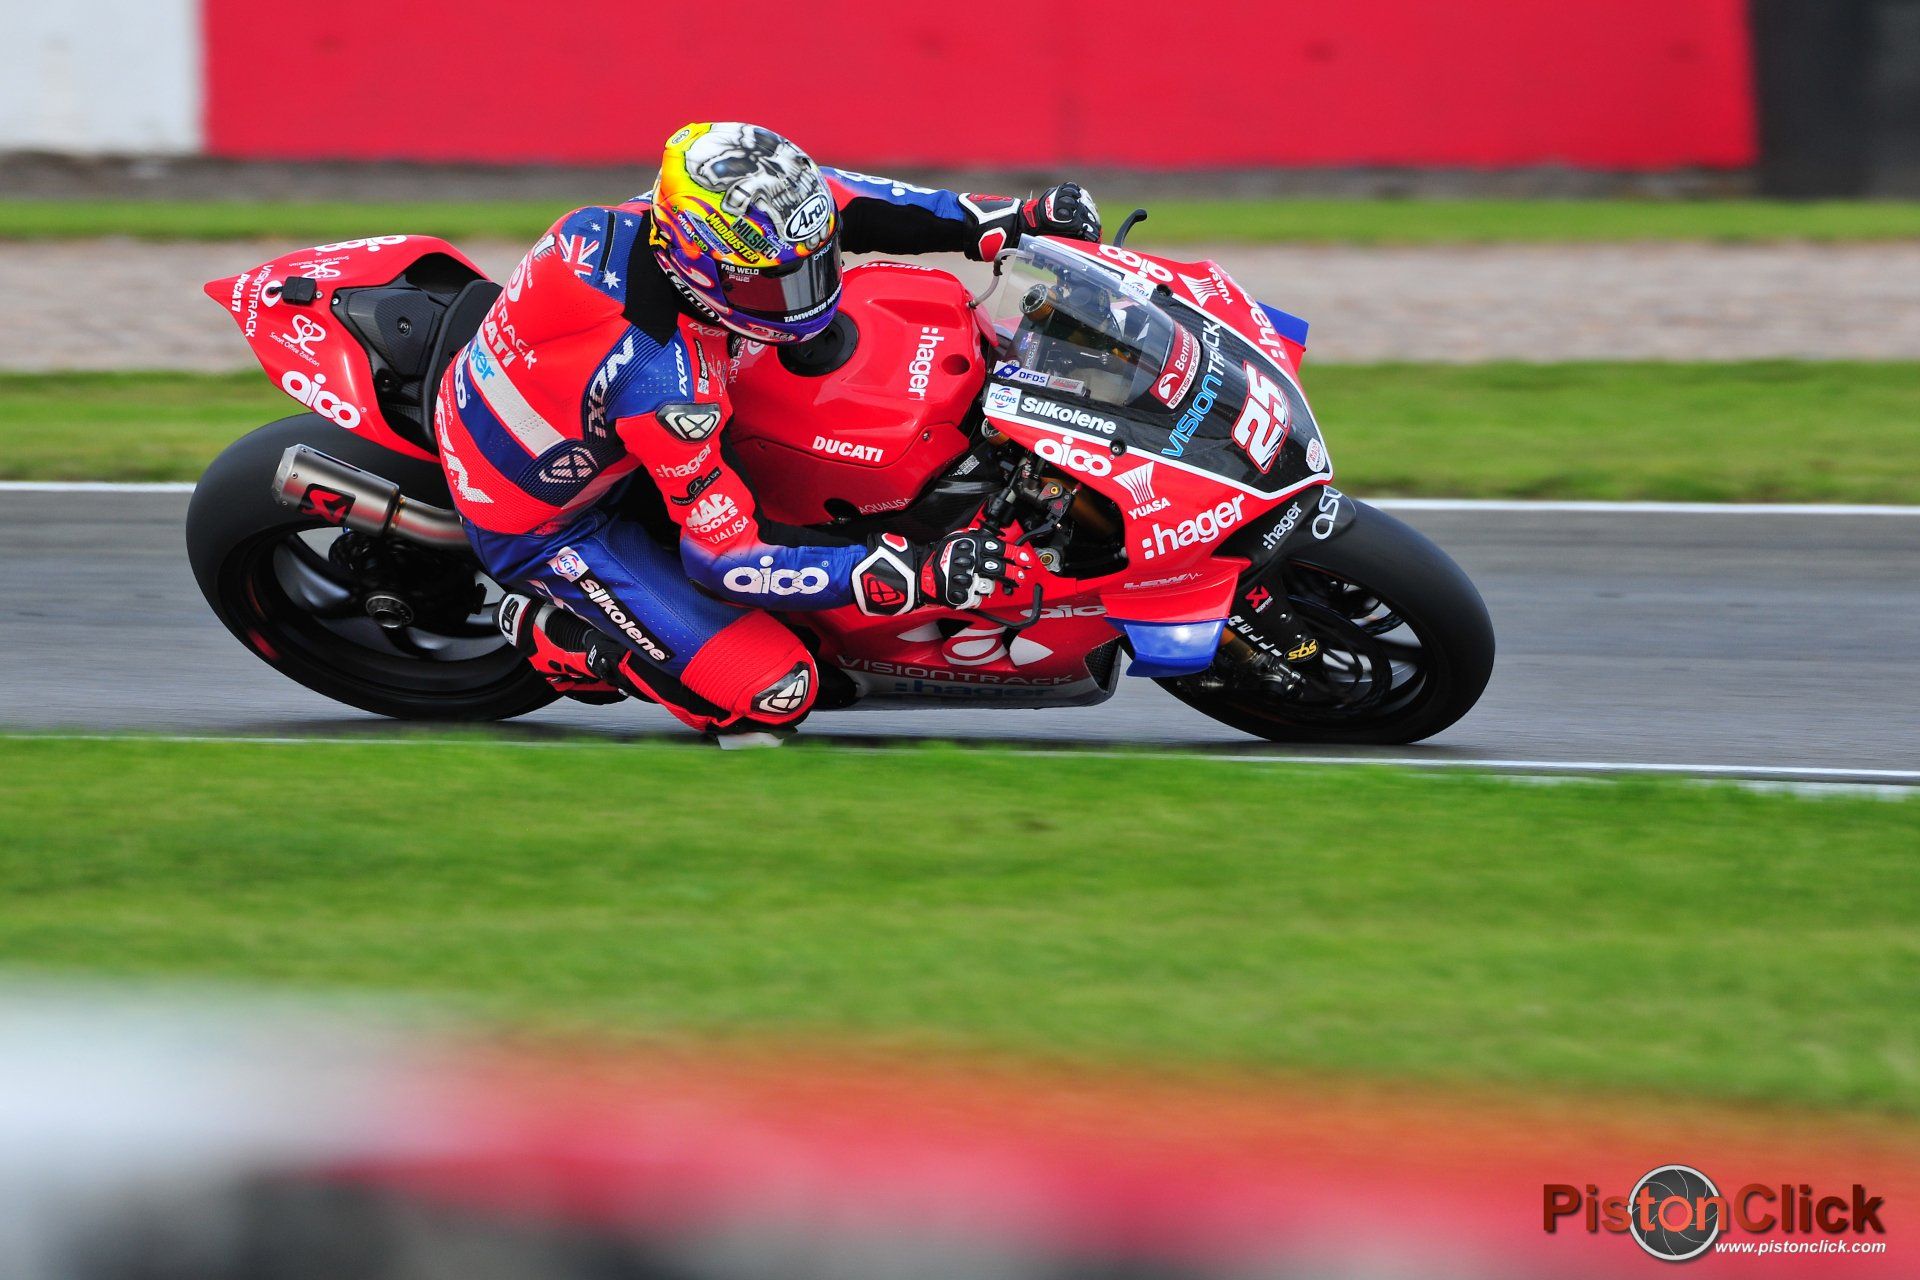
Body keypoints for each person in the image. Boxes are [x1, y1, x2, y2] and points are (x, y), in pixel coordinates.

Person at [433, 122, 1101, 741]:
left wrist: (1011, 219)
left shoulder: (688, 216)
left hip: (583, 409)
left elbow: (851, 199)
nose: (803, 299)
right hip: (554, 521)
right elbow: (727, 562)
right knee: (779, 690)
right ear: (697, 267)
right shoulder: (669, 389)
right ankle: (568, 643)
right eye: (774, 286)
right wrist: (914, 575)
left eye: (814, 268)